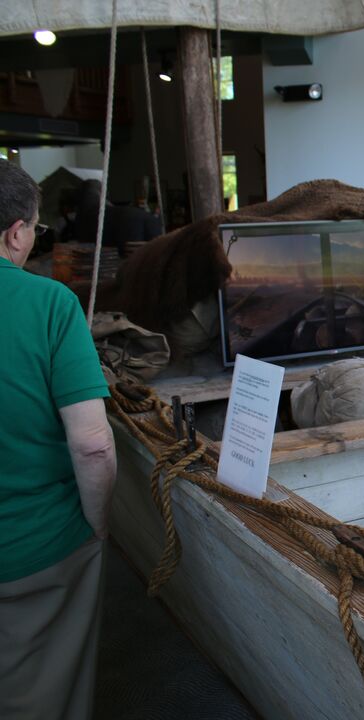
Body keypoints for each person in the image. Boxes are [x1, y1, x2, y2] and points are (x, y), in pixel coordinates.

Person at [0, 159, 116, 719]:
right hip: (35, 546)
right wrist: (98, 522)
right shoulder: (49, 304)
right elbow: (92, 443)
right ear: (17, 232)